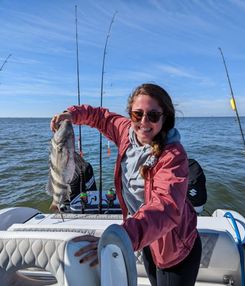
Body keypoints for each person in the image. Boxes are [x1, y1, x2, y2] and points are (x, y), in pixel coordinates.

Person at [50, 83, 202, 286]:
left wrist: (119, 237)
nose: (144, 122)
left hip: (175, 247)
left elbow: (165, 207)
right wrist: (71, 114)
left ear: (165, 117)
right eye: (137, 115)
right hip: (145, 238)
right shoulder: (126, 132)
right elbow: (100, 117)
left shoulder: (173, 156)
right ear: (131, 115)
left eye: (153, 115)